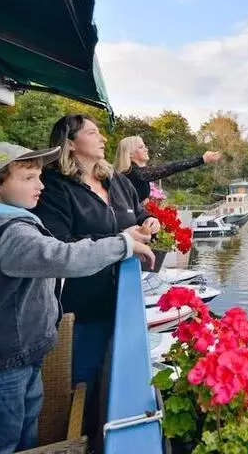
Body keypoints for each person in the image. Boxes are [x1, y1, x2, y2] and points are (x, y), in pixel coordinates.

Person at [0, 142, 155, 454]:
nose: (41, 185)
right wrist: (122, 244)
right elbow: (63, 257)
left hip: (21, 349)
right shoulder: (9, 233)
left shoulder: (7, 222)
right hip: (8, 354)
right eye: (28, 178)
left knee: (25, 427)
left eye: (39, 176)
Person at [32, 115, 160, 425]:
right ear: (70, 143)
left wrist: (148, 221)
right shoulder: (54, 187)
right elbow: (58, 245)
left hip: (124, 298)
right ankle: (85, 436)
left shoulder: (116, 180)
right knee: (84, 381)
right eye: (92, 132)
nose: (103, 138)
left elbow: (138, 213)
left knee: (119, 375)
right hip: (83, 306)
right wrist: (119, 240)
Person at [114, 135, 222, 204]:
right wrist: (202, 159)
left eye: (145, 146)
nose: (146, 149)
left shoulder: (134, 172)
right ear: (130, 154)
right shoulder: (133, 172)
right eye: (141, 147)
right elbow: (170, 168)